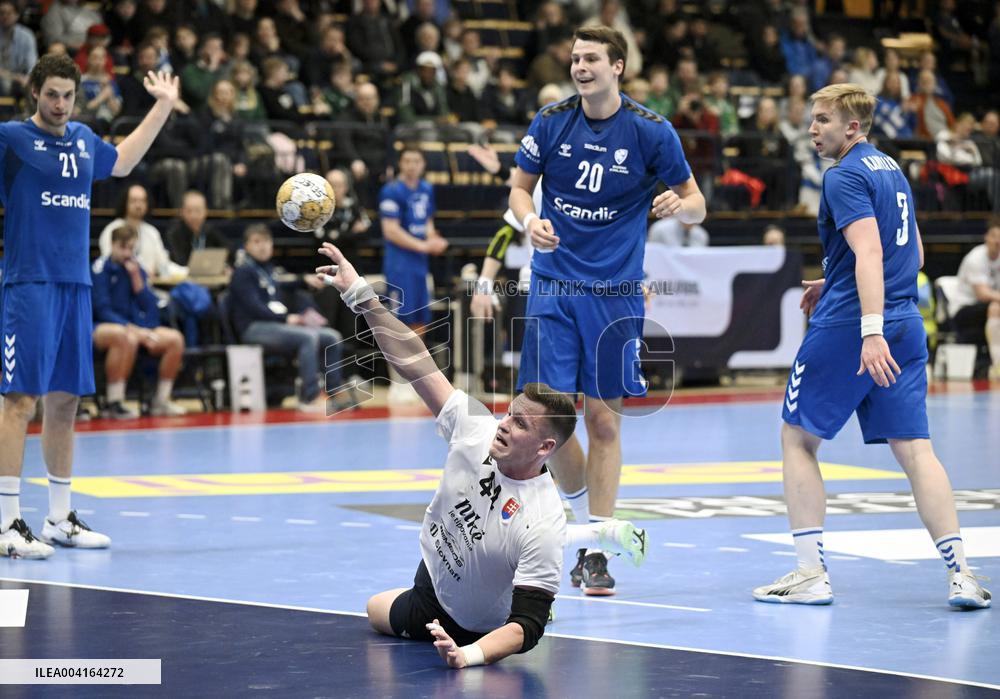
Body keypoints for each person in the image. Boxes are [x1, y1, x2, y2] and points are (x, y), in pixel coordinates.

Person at [314, 241, 648, 669]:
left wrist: (468, 654)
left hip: (470, 625)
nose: (505, 424)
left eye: (521, 424)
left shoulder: (543, 517)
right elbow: (417, 363)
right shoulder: (477, 428)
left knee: (524, 553)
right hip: (431, 578)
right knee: (374, 606)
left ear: (547, 448)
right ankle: (580, 547)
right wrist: (360, 295)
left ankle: (548, 577)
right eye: (510, 413)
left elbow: (526, 628)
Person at [753, 83, 991, 609]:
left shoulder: (841, 175)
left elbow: (869, 250)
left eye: (822, 120)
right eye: (812, 119)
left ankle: (810, 573)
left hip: (853, 326)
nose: (812, 129)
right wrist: (834, 278)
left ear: (852, 128)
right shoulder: (891, 167)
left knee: (797, 438)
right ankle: (962, 575)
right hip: (906, 318)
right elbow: (915, 252)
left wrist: (868, 327)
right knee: (916, 450)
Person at [508, 26, 705, 595]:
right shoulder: (550, 121)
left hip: (615, 295)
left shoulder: (651, 131)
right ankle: (576, 513)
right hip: (553, 285)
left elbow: (696, 203)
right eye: (575, 58)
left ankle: (595, 549)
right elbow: (519, 190)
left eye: (592, 58)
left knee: (603, 420)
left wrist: (679, 205)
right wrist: (530, 220)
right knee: (543, 415)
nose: (581, 66)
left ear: (618, 66)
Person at [0, 54, 180, 558]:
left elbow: (122, 161)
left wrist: (163, 106)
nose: (60, 105)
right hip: (29, 284)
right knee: (19, 401)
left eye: (68, 96)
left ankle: (58, 517)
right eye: (51, 94)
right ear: (35, 92)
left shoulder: (82, 139)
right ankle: (7, 523)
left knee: (65, 400)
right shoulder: (11, 139)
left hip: (75, 286)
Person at [228, 225, 343, 413]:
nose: (263, 247)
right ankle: (310, 397)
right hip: (254, 327)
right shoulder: (243, 272)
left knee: (331, 337)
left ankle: (334, 393)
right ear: (246, 246)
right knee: (308, 337)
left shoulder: (269, 269)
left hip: (275, 325)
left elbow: (283, 284)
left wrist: (304, 280)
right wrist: (286, 318)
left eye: (266, 242)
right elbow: (254, 307)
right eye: (257, 242)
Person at [92, 225, 187, 418]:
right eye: (123, 247)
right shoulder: (100, 269)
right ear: (112, 245)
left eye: (131, 248)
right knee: (126, 337)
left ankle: (160, 401)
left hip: (136, 327)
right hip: (101, 327)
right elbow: (102, 310)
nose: (127, 253)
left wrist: (138, 282)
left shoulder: (136, 268)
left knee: (174, 339)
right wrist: (134, 330)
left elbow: (151, 306)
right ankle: (114, 402)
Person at [378, 146, 449, 402]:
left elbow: (427, 222)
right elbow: (391, 231)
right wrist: (425, 245)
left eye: (416, 160)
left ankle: (415, 378)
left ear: (423, 164)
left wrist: (433, 239)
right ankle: (398, 381)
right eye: (407, 160)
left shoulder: (426, 189)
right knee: (399, 324)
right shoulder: (391, 191)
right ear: (400, 164)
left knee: (421, 321)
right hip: (400, 265)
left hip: (420, 265)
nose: (411, 165)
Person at [950, 219, 1000, 377]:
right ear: (986, 237)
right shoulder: (976, 258)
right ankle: (997, 364)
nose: (998, 241)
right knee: (995, 306)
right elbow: (983, 294)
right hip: (963, 311)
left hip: (986, 310)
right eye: (994, 236)